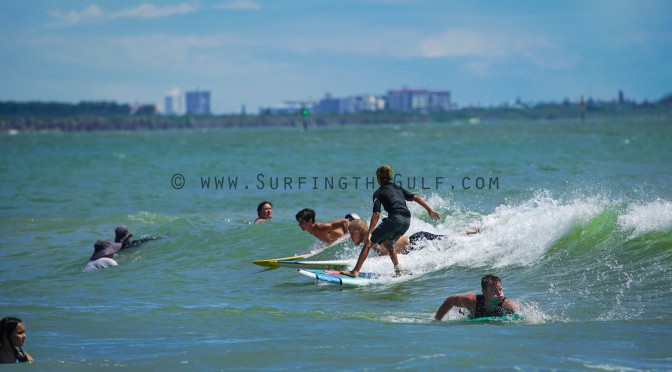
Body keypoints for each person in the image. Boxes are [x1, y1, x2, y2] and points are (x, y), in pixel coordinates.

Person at [341, 164, 441, 277]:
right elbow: (415, 197)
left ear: (378, 178)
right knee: (388, 243)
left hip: (395, 219)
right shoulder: (398, 188)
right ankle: (399, 271)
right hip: (407, 221)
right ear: (390, 177)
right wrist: (430, 210)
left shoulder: (378, 192)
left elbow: (376, 214)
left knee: (368, 243)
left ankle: (355, 271)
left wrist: (369, 232)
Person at [432, 274, 518, 321]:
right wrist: (436, 320)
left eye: (500, 289)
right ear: (485, 292)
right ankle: (462, 310)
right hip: (474, 313)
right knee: (464, 316)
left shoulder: (508, 305)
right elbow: (449, 301)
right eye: (494, 291)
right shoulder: (471, 300)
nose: (500, 293)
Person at [348, 218, 446, 255]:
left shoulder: (375, 235)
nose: (351, 237)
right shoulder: (370, 241)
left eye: (352, 233)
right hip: (416, 245)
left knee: (453, 241)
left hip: (418, 241)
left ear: (361, 230)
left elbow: (387, 251)